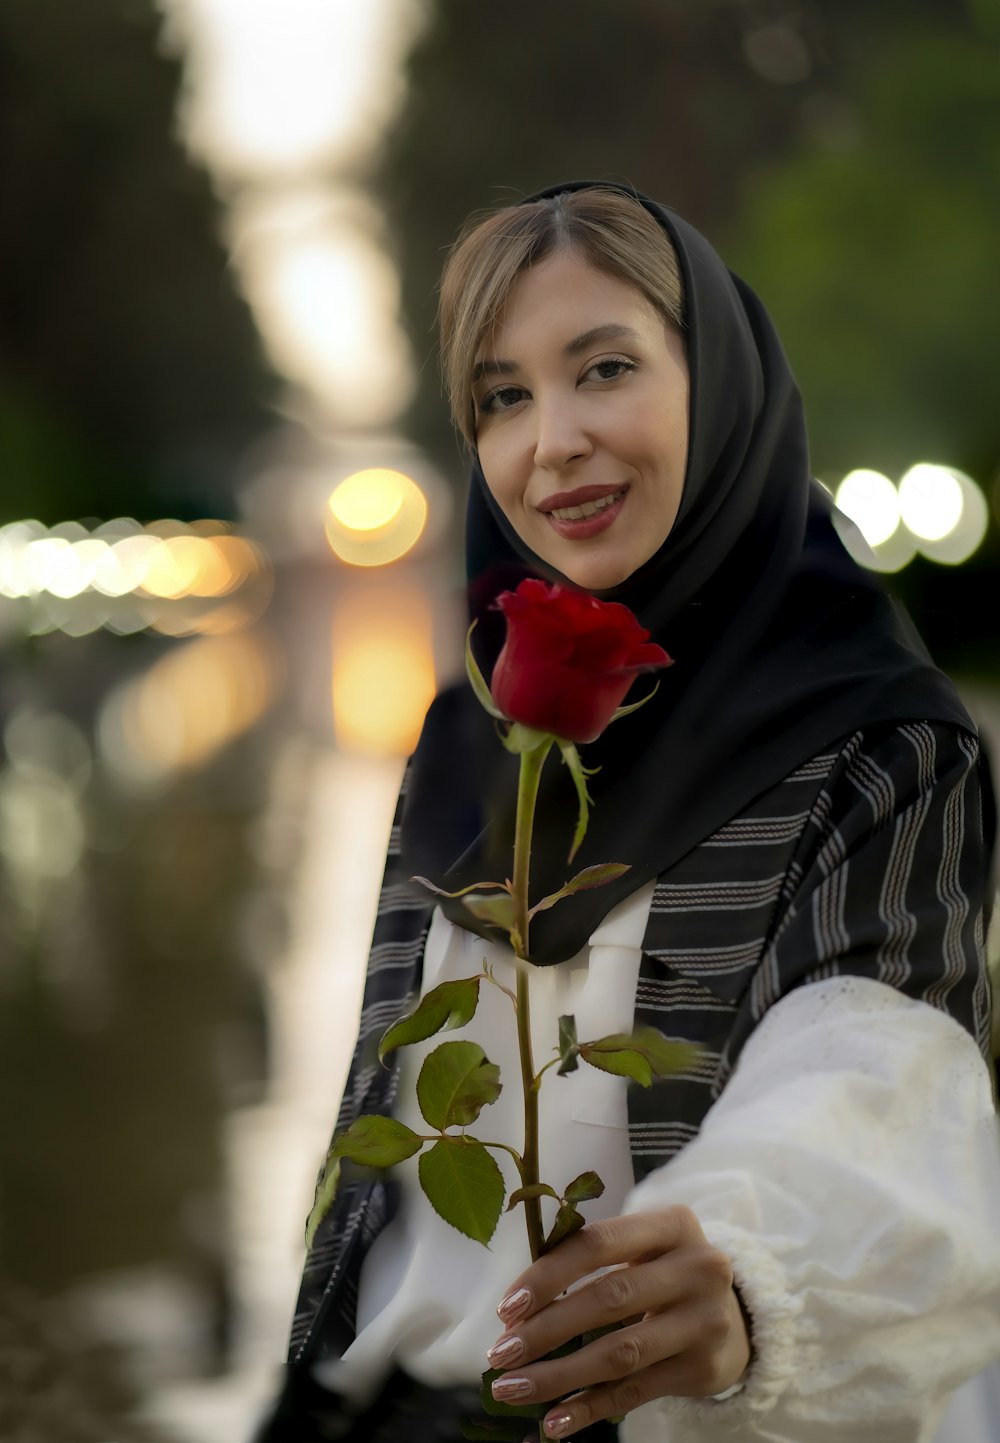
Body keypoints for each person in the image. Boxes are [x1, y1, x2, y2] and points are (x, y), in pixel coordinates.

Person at [256, 182, 1000, 1443]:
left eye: (603, 368)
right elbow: (381, 1179)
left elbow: (876, 1079)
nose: (551, 441)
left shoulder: (875, 746)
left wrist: (747, 1283)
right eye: (502, 396)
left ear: (719, 383)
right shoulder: (465, 733)